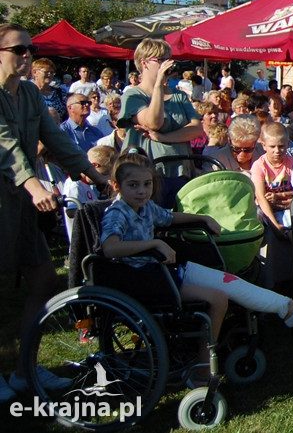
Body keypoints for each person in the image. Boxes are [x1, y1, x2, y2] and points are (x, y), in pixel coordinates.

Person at [101, 152, 293, 381]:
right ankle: (202, 365)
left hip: (164, 271)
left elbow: (170, 217)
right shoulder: (117, 213)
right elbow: (110, 248)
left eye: (147, 184)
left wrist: (203, 219)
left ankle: (287, 309)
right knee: (218, 298)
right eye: (133, 185)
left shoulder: (145, 207)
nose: (141, 191)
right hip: (144, 278)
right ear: (117, 186)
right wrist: (155, 244)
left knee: (227, 280)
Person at [0, 24, 110, 401]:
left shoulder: (30, 93)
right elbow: (6, 147)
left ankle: (23, 371)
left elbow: (56, 138)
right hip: (9, 195)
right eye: (18, 49)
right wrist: (34, 185)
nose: (26, 55)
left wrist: (93, 173)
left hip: (24, 202)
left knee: (45, 280)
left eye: (29, 48)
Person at [119, 38, 204, 207]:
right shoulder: (133, 95)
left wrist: (164, 138)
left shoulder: (178, 96)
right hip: (147, 174)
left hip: (180, 170)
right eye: (161, 60)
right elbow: (153, 123)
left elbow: (197, 129)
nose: (167, 64)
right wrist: (158, 86)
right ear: (144, 63)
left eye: (168, 59)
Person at [251, 121, 293, 289]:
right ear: (264, 146)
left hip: (286, 207)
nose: (277, 151)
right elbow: (261, 197)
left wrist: (280, 196)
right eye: (272, 147)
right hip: (266, 211)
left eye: (281, 147)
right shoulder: (260, 166)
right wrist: (274, 224)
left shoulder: (292, 163)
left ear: (288, 145)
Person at [31, 57, 66, 122]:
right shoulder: (28, 92)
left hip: (57, 129)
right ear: (35, 72)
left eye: (52, 72)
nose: (49, 74)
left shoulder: (60, 92)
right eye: (46, 72)